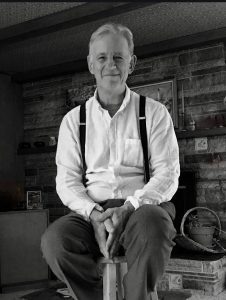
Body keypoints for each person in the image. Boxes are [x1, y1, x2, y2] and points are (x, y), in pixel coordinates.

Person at [41, 23, 180, 300]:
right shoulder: (73, 121)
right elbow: (67, 181)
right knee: (54, 241)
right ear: (91, 64)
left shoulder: (154, 113)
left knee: (155, 224)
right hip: (92, 211)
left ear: (132, 62)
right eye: (102, 58)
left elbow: (167, 174)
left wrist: (130, 207)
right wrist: (94, 215)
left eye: (119, 57)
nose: (111, 65)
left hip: (142, 208)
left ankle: (135, 296)